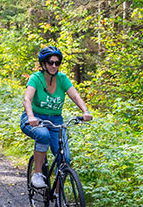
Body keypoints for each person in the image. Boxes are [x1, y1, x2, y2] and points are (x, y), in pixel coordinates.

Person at [20, 46, 93, 188]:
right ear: (43, 64)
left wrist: (85, 111)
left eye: (57, 63)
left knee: (65, 159)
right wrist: (30, 116)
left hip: (55, 120)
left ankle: (58, 194)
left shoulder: (62, 78)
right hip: (34, 118)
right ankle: (37, 173)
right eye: (50, 62)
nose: (54, 66)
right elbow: (27, 99)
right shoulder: (36, 78)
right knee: (43, 135)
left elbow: (75, 96)